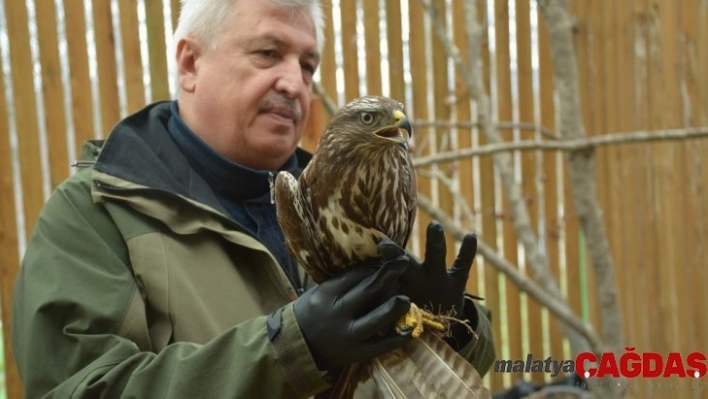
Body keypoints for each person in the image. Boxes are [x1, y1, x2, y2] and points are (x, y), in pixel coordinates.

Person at [11, 0, 495, 397]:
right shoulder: (95, 212)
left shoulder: (341, 195)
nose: (294, 82)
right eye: (268, 53)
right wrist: (286, 353)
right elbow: (81, 389)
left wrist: (447, 326)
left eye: (308, 66)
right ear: (189, 63)